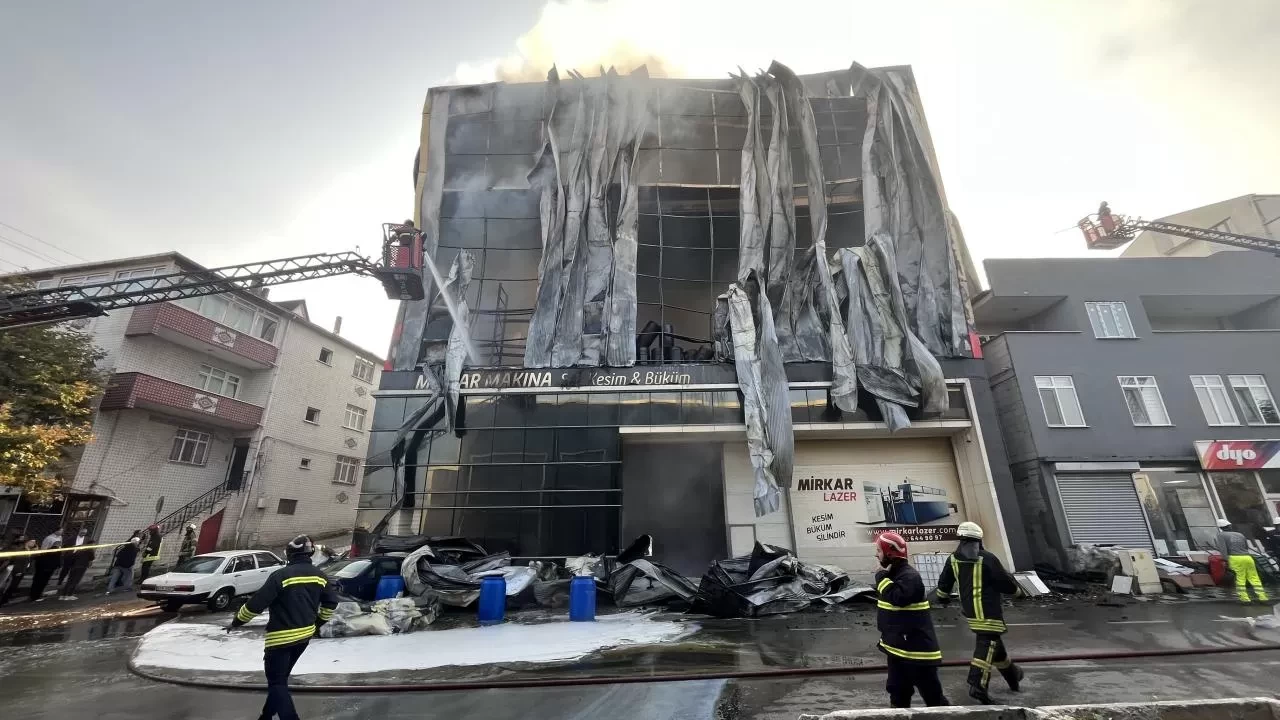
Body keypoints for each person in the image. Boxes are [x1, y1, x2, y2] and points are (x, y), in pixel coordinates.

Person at [229, 535, 338, 720]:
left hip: (280, 639)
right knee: (280, 681)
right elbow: (331, 603)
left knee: (277, 682)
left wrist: (237, 621)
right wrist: (317, 623)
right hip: (303, 638)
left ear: (289, 553)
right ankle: (266, 715)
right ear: (310, 553)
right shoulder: (319, 575)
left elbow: (255, 605)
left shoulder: (281, 575)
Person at [935, 521, 1025, 704]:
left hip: (971, 613)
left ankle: (1013, 676)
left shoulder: (953, 559)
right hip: (989, 613)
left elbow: (944, 583)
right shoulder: (988, 559)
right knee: (986, 645)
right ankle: (977, 685)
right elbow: (1004, 582)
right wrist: (1018, 593)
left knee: (996, 649)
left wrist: (942, 598)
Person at [874, 531, 948, 708]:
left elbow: (899, 598)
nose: (876, 554)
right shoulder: (895, 575)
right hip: (898, 650)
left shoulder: (909, 576)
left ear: (890, 552)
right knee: (898, 694)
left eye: (879, 550)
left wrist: (880, 578)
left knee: (933, 699)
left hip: (916, 653)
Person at [1216, 519, 1269, 603]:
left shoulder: (1221, 535)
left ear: (1221, 528)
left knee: (1240, 579)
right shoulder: (1240, 534)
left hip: (1235, 558)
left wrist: (1225, 560)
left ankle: (1245, 599)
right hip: (1247, 557)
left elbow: (1223, 549)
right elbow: (1246, 547)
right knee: (1254, 578)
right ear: (1229, 526)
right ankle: (1263, 598)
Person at [58, 530, 95, 601]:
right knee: (75, 581)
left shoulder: (79, 550)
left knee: (70, 580)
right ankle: (69, 595)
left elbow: (73, 556)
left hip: (74, 566)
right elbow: (92, 557)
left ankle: (63, 595)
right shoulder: (89, 550)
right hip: (81, 566)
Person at [28, 533, 63, 602]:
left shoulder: (47, 550)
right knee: (42, 582)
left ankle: (33, 595)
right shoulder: (56, 552)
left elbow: (39, 559)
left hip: (41, 568)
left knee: (37, 581)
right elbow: (57, 561)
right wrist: (57, 566)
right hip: (48, 569)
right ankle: (36, 596)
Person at [0, 536, 32, 607]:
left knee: (8, 584)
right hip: (14, 569)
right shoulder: (19, 549)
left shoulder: (26, 549)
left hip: (17, 569)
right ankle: (3, 600)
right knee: (8, 584)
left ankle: (4, 599)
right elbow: (16, 561)